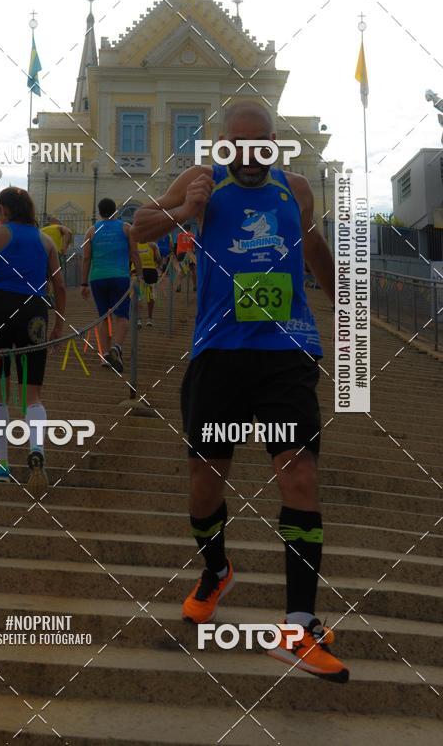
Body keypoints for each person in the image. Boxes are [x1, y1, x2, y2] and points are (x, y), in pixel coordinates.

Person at [132, 101, 348, 683]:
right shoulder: (201, 181)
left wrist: (343, 297)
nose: (251, 154)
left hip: (287, 353)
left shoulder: (296, 188)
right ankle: (216, 569)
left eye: (262, 143)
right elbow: (139, 229)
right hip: (218, 354)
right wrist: (184, 208)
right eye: (239, 143)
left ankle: (299, 627)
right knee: (206, 485)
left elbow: (312, 246)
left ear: (275, 143)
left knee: (299, 473)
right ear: (224, 143)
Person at [0, 187, 66, 496]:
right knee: (33, 392)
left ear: (4, 208)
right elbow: (59, 285)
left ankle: (1, 465)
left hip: (0, 308)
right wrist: (59, 324)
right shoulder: (46, 241)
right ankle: (38, 451)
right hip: (35, 311)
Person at [81, 198, 141, 372]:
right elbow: (134, 253)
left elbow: (86, 259)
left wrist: (83, 283)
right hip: (120, 277)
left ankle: (105, 355)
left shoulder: (91, 231)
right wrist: (139, 273)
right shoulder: (126, 228)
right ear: (116, 211)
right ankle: (117, 347)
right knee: (122, 315)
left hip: (97, 278)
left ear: (99, 213)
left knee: (103, 316)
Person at [136, 240, 161, 327]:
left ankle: (138, 319)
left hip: (139, 271)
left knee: (139, 296)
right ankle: (149, 319)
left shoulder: (135, 244)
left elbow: (131, 258)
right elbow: (158, 259)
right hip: (151, 270)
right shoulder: (153, 244)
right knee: (150, 296)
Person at [175, 225, 197, 292]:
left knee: (181, 270)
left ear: (183, 229)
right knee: (193, 270)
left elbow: (176, 244)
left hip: (181, 254)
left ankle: (179, 285)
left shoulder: (179, 235)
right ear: (189, 229)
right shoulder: (193, 236)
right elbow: (195, 247)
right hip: (189, 254)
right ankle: (195, 286)